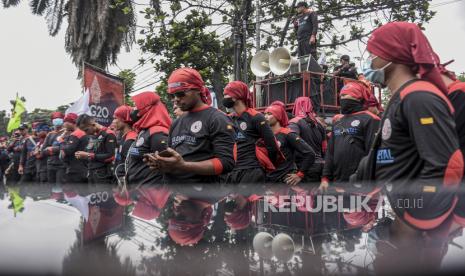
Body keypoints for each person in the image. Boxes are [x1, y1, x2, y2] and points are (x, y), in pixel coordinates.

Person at [364, 22, 463, 232]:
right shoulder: (404, 97)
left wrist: (420, 219)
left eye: (373, 52)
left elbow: (447, 165)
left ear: (393, 54)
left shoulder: (420, 98)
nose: (368, 59)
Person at [147, 68, 235, 185]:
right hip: (176, 195)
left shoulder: (217, 118)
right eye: (172, 95)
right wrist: (163, 163)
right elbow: (175, 159)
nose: (176, 99)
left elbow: (226, 163)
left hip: (205, 197)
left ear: (198, 89)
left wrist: (184, 166)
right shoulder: (176, 123)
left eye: (181, 93)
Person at [320, 81, 380, 190]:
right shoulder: (338, 121)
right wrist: (325, 178)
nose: (342, 98)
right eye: (341, 96)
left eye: (346, 95)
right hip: (338, 183)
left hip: (361, 184)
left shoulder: (371, 119)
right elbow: (330, 153)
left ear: (358, 97)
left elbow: (374, 154)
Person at [222, 80, 279, 185]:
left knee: (250, 201)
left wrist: (265, 165)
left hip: (252, 171)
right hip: (233, 172)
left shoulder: (256, 117)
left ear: (236, 96)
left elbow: (272, 146)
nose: (224, 98)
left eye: (226, 95)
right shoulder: (229, 118)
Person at [264, 101, 315, 185]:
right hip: (269, 180)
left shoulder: (288, 134)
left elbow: (310, 153)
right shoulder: (264, 135)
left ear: (278, 116)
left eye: (269, 114)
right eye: (265, 114)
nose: (265, 116)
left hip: (285, 179)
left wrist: (300, 174)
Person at [126, 92, 171, 186]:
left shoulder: (157, 132)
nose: (133, 109)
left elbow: (166, 166)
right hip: (138, 190)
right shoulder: (145, 131)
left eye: (136, 106)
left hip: (151, 192)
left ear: (147, 109)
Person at [289, 97, 326, 183]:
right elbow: (324, 148)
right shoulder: (319, 124)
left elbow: (292, 143)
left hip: (304, 167)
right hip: (320, 165)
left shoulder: (294, 122)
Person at [75, 114, 116, 184]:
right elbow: (89, 151)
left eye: (86, 130)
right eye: (83, 131)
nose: (85, 133)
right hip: (91, 172)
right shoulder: (92, 135)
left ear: (93, 124)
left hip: (103, 174)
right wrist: (81, 154)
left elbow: (111, 156)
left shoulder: (108, 134)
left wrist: (88, 155)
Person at [111, 105, 138, 181]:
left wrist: (123, 183)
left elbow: (130, 166)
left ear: (124, 119)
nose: (113, 121)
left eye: (115, 118)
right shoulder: (125, 136)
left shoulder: (130, 139)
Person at [61, 113, 89, 184]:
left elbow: (68, 150)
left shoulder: (77, 133)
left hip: (75, 171)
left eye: (65, 121)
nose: (64, 124)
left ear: (71, 122)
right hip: (82, 168)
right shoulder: (80, 133)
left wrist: (61, 141)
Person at [42, 112, 67, 184]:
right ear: (52, 121)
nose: (57, 120)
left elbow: (66, 147)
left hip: (62, 164)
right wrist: (49, 150)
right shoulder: (50, 134)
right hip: (50, 164)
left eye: (59, 118)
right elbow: (43, 150)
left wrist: (53, 149)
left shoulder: (67, 133)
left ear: (63, 120)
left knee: (60, 187)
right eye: (55, 119)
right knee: (51, 187)